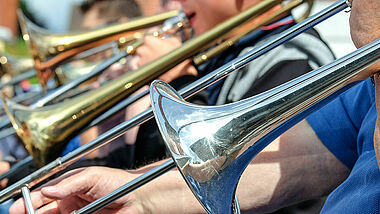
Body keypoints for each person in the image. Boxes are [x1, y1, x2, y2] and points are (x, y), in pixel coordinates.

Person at [10, 0, 380, 213]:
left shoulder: (294, 58)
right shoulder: (366, 92)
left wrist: (179, 83)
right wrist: (133, 195)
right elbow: (283, 161)